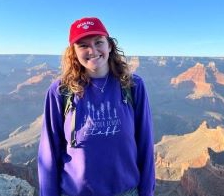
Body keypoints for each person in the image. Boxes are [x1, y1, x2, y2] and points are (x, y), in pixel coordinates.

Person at [38, 17, 155, 196]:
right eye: (83, 45)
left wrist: (147, 193)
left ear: (109, 46)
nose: (92, 50)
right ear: (73, 52)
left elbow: (145, 143)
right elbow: (48, 153)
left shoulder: (133, 85)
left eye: (98, 42)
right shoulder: (60, 91)